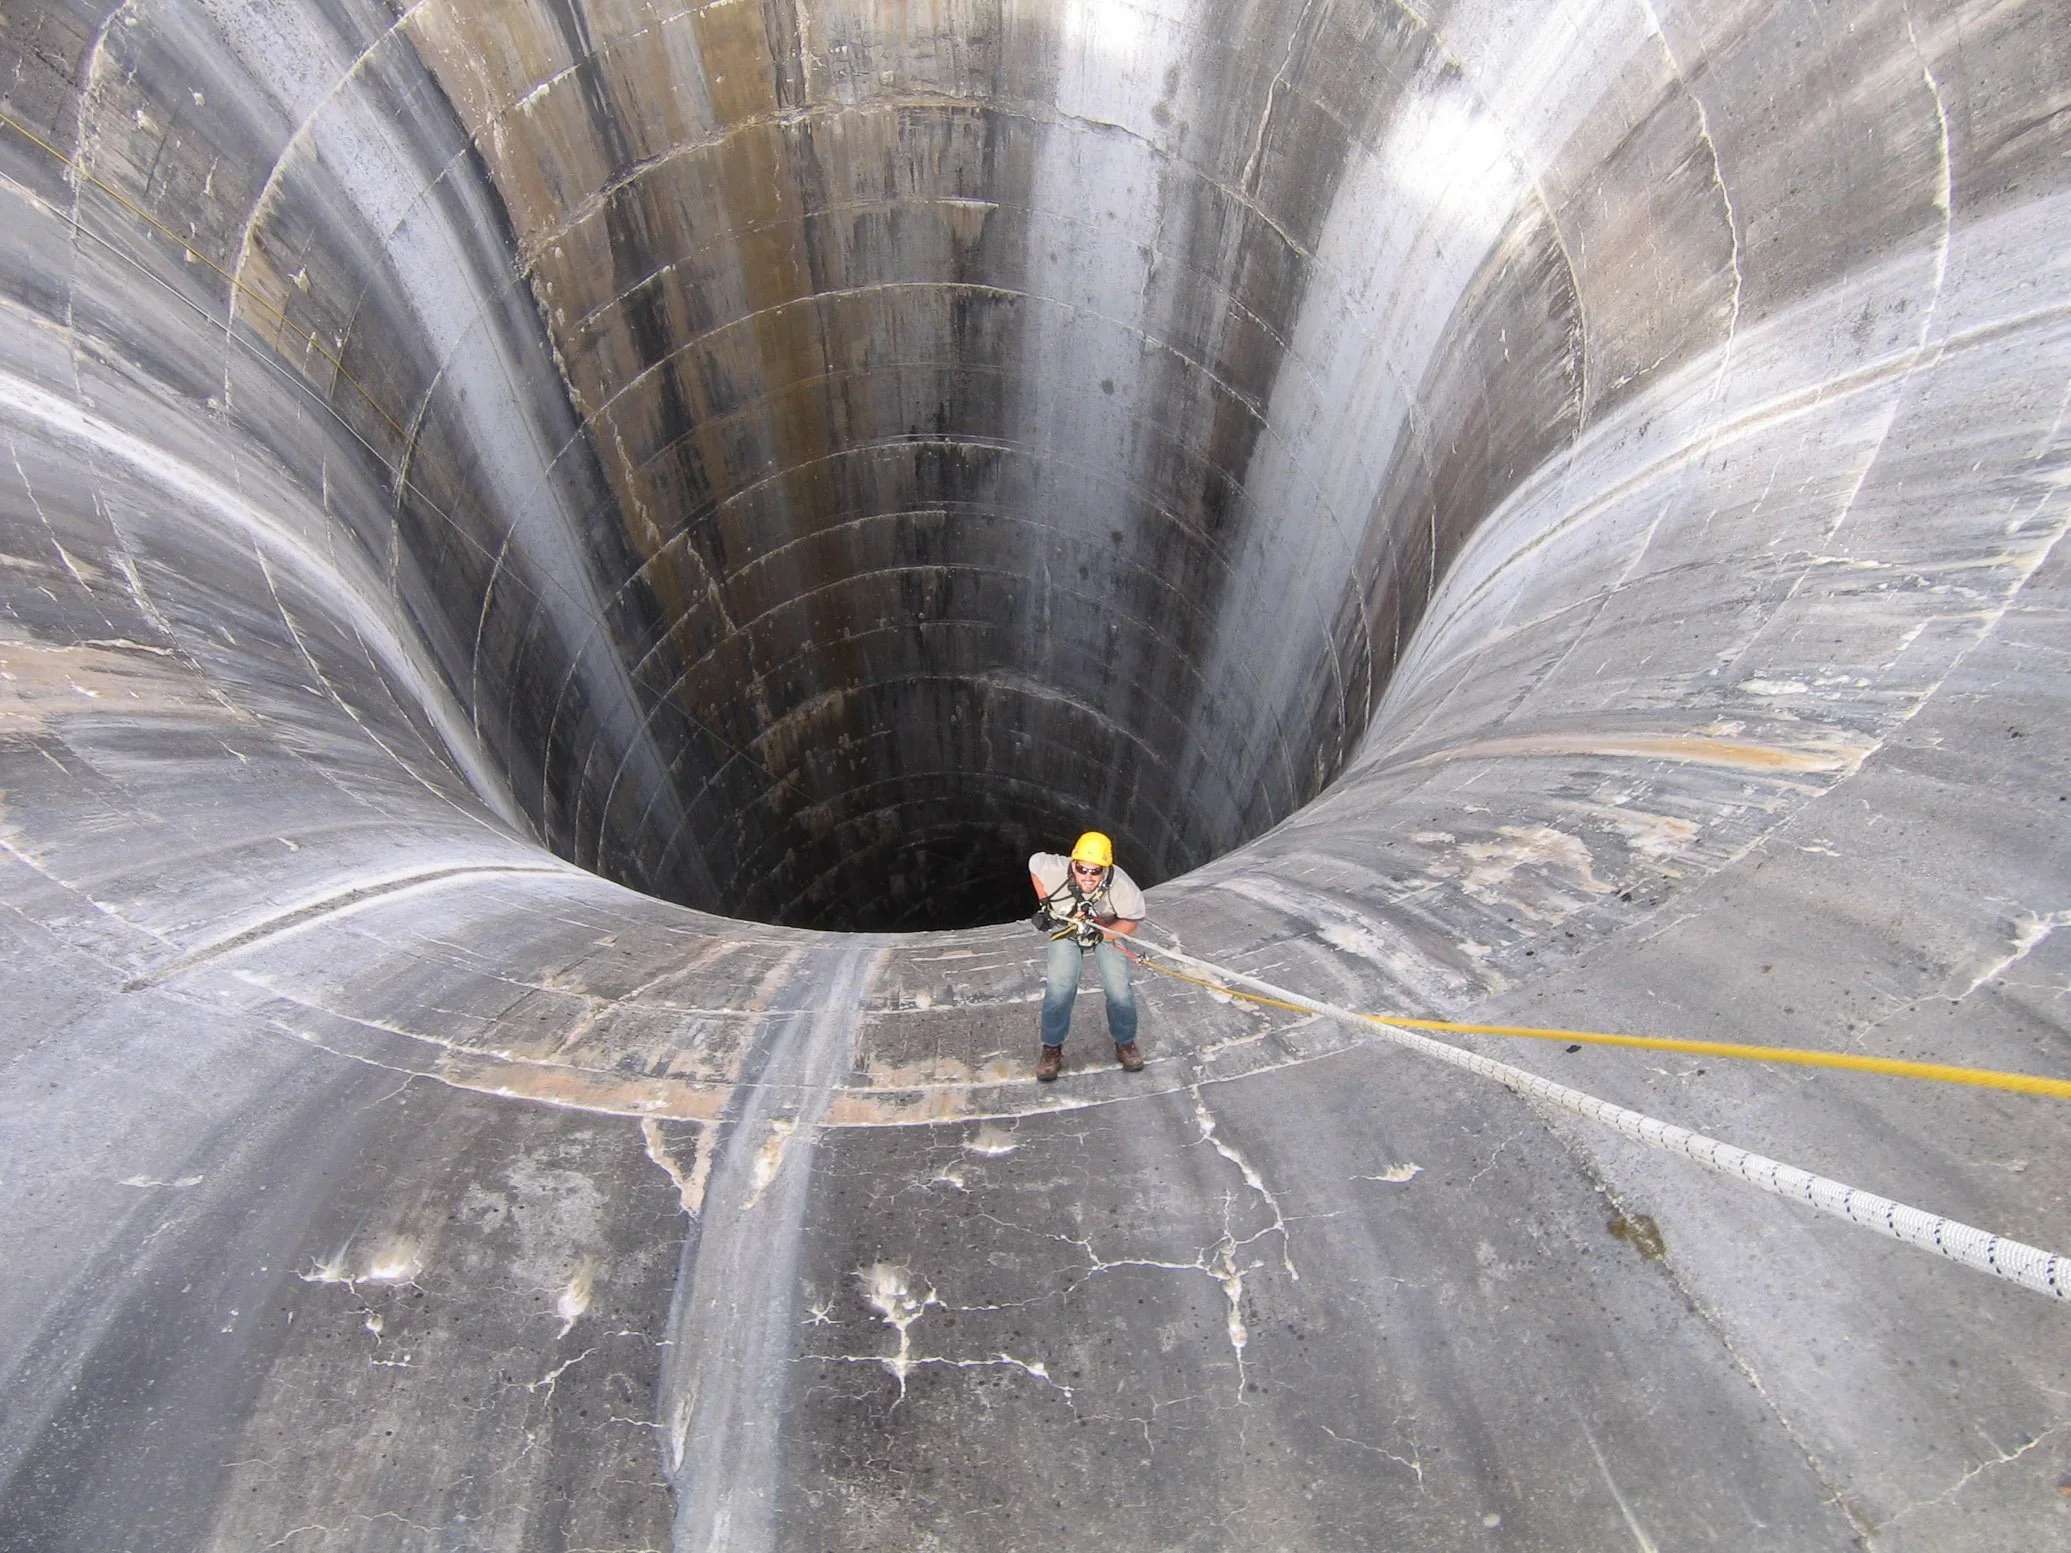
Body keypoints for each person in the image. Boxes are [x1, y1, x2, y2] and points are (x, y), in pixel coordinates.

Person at [1028, 831, 1146, 1081]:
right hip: (1067, 928)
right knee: (1060, 988)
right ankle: (1052, 1049)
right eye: (1082, 869)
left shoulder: (1122, 887)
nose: (1088, 877)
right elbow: (1034, 864)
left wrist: (1103, 936)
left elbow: (1132, 920)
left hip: (1106, 927)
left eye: (1096, 871)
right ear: (1073, 864)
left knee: (1119, 989)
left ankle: (1125, 1043)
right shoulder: (1053, 868)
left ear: (1106, 869)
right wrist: (1045, 903)